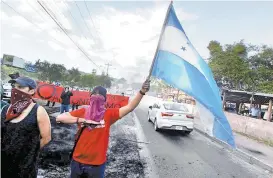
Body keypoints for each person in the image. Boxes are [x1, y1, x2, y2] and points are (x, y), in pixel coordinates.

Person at [56, 79, 150, 178]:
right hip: (77, 161)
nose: (96, 98)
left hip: (97, 165)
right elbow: (60, 118)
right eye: (94, 95)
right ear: (90, 98)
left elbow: (130, 107)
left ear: (104, 100)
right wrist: (81, 120)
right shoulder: (83, 111)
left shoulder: (109, 114)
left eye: (100, 96)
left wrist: (142, 92)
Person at [1, 76, 51, 178]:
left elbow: (46, 138)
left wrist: (30, 150)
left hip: (26, 166)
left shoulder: (38, 111)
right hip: (5, 162)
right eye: (14, 86)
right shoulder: (7, 109)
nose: (15, 90)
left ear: (32, 91)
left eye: (20, 87)